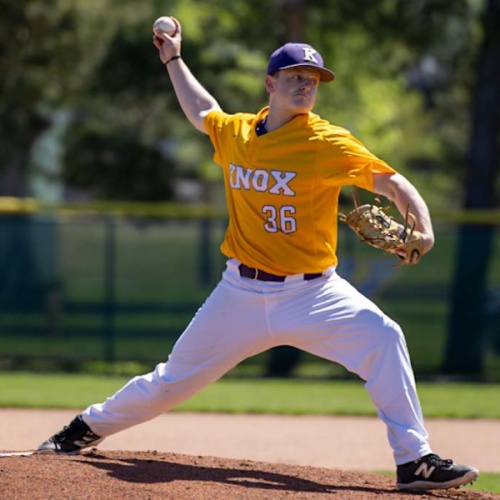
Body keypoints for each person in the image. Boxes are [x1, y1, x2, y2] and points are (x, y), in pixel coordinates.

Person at [37, 17, 479, 492]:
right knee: (171, 381)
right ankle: (84, 429)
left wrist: (425, 227)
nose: (306, 86)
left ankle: (415, 461)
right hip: (240, 293)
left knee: (384, 338)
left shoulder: (326, 141)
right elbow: (201, 110)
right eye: (296, 77)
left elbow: (390, 182)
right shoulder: (238, 134)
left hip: (315, 293)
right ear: (270, 83)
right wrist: (173, 59)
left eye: (313, 80)